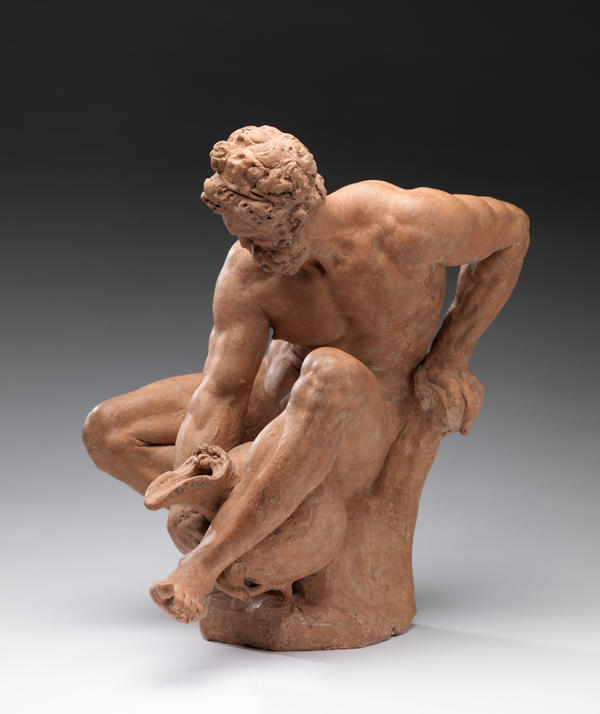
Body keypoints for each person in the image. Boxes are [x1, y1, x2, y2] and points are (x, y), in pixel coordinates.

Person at [82, 125, 529, 624]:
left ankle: (205, 563)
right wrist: (188, 496)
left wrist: (451, 355)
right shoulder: (250, 270)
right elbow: (223, 392)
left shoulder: (404, 224)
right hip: (277, 402)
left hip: (365, 416)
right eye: (240, 237)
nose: (249, 250)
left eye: (257, 236)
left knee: (327, 370)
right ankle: (238, 517)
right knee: (108, 430)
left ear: (295, 213)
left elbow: (512, 231)